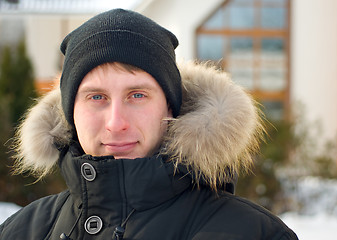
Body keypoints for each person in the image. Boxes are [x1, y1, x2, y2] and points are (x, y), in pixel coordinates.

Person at [0, 8, 298, 240]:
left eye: (137, 95)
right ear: (69, 114)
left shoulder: (253, 233)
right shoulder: (20, 231)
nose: (116, 123)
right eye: (96, 97)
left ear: (170, 105)